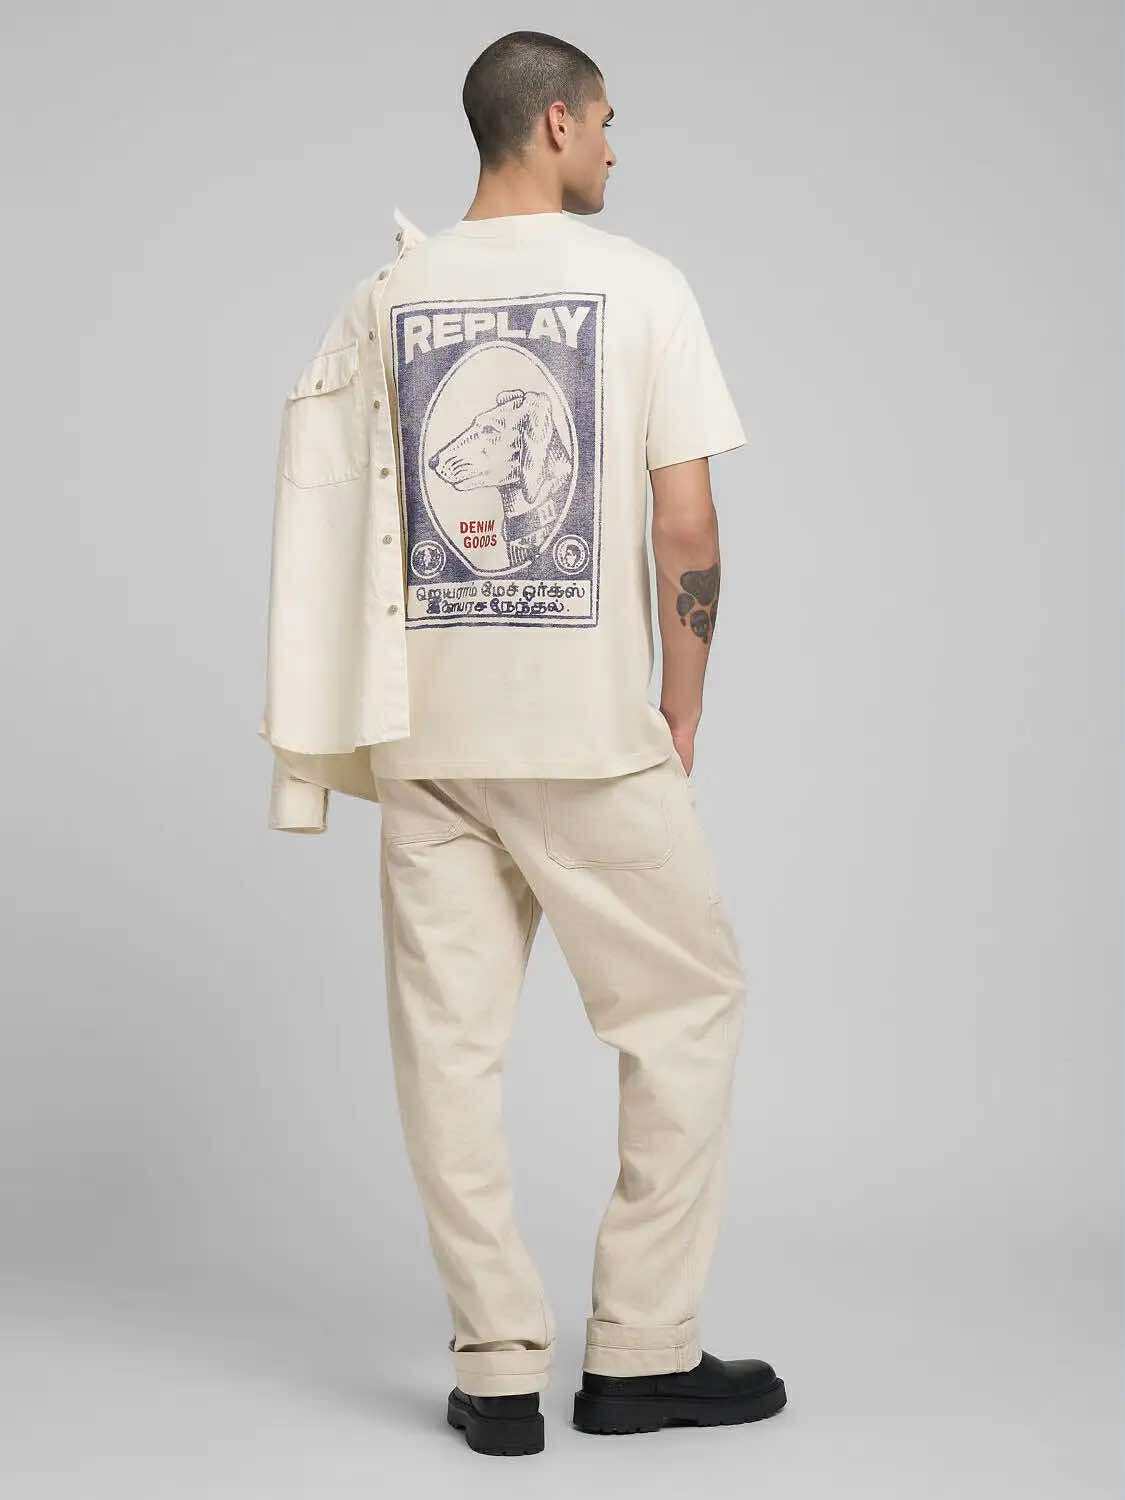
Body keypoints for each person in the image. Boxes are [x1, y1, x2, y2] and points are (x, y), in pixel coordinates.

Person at [260, 29, 786, 1458]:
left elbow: (326, 512)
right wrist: (683, 697)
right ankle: (640, 1356)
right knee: (682, 1015)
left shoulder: (384, 296)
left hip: (424, 737)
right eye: (607, 120)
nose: (615, 146)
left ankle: (495, 1372)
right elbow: (687, 524)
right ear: (554, 122)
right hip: (587, 734)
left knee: (448, 1053)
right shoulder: (644, 286)